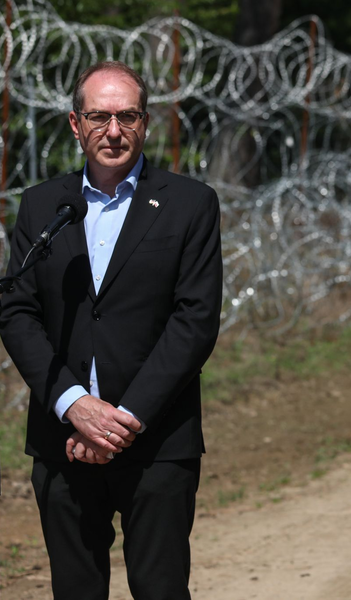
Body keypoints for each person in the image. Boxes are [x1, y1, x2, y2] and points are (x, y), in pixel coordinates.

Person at [0, 61, 222, 599]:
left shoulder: (189, 204)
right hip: (63, 442)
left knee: (160, 589)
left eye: (127, 116)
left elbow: (194, 321)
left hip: (156, 440)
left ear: (146, 123)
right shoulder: (41, 205)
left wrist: (123, 420)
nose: (113, 131)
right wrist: (74, 404)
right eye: (99, 117)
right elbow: (15, 309)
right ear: (76, 125)